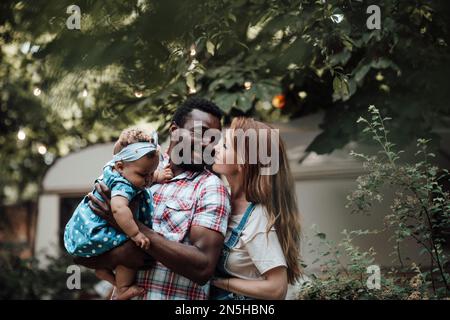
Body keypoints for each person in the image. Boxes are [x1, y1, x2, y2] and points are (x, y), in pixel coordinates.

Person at [74, 97, 231, 300]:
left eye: (213, 139)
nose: (205, 143)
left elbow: (202, 268)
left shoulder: (211, 188)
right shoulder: (132, 167)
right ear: (174, 130)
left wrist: (132, 227)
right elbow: (80, 251)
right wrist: (117, 255)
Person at [210, 117, 302, 300]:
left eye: (226, 146)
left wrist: (219, 282)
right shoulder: (221, 198)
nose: (216, 148)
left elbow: (277, 289)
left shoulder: (257, 217)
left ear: (243, 162)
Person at [64, 128, 160, 300]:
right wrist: (136, 233)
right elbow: (118, 209)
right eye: (144, 175)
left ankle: (103, 272)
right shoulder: (122, 186)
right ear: (120, 167)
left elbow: (127, 156)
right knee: (131, 252)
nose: (149, 180)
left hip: (87, 228)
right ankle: (122, 288)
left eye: (152, 173)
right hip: (99, 230)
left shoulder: (121, 167)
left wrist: (158, 176)